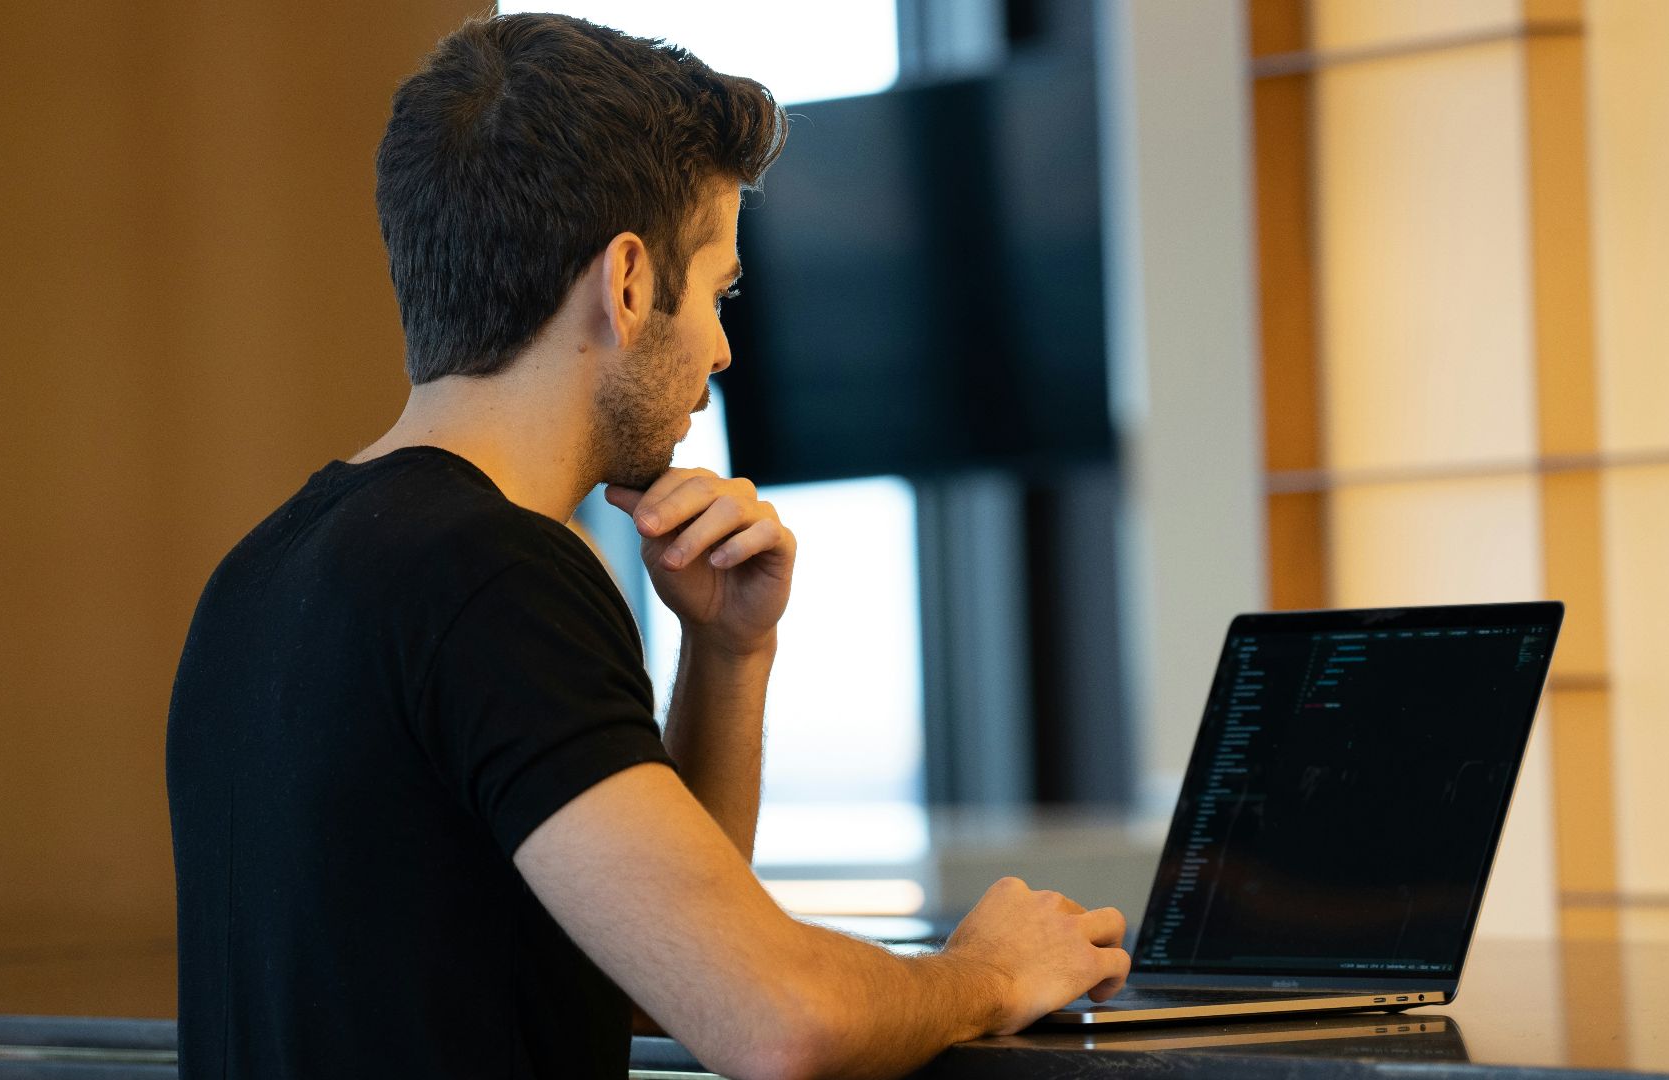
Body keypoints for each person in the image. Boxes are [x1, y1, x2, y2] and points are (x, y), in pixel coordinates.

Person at [166, 12, 1129, 1079]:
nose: (720, 350)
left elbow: (638, 974)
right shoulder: (491, 577)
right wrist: (986, 975)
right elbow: (776, 1022)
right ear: (627, 284)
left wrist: (726, 656)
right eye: (718, 293)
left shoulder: (263, 572)